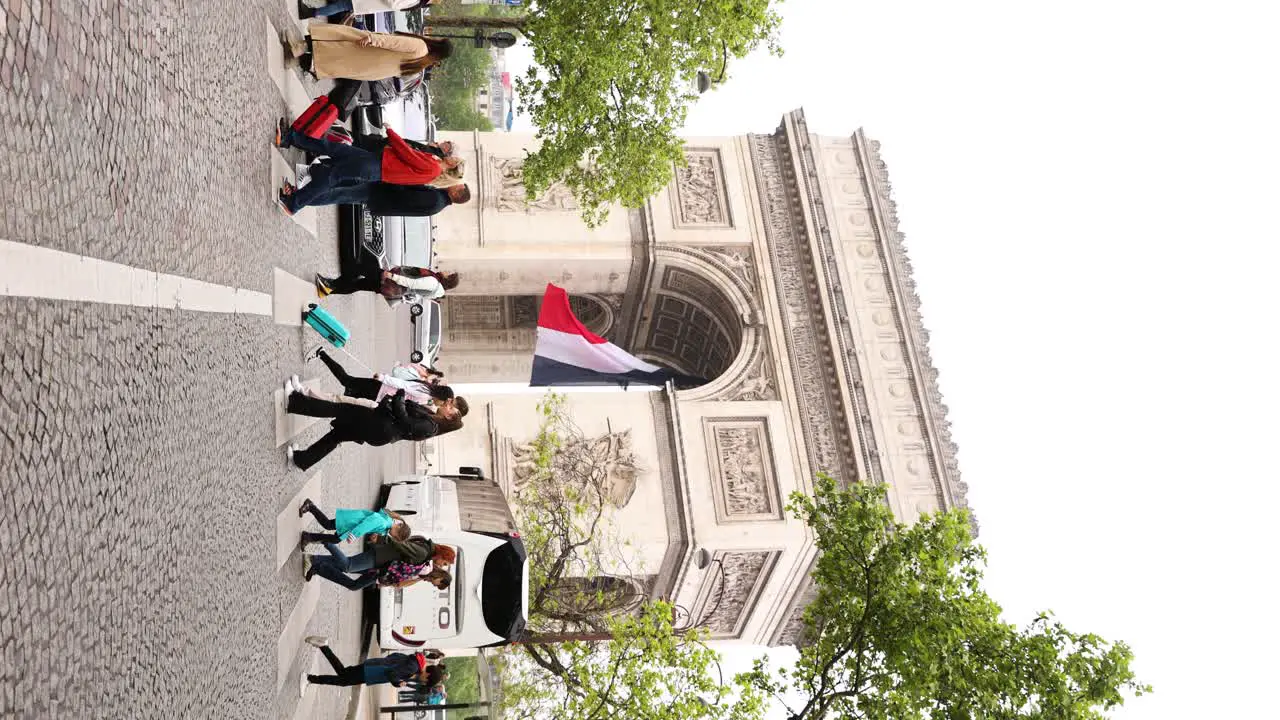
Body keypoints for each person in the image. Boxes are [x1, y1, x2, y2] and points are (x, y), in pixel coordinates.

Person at [275, 126, 458, 215]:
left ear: (451, 165)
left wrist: (392, 133)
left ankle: (294, 203)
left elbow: (408, 155)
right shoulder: (433, 165)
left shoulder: (433, 168)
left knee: (332, 177)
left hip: (379, 167)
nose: (452, 156)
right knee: (333, 149)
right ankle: (290, 138)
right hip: (379, 162)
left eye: (454, 157)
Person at [284, 389, 448, 470]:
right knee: (336, 435)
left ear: (450, 418)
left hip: (380, 426)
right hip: (380, 429)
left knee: (339, 409)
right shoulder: (432, 419)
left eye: (451, 408)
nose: (448, 405)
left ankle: (295, 403)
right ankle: (303, 459)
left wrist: (400, 398)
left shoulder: (431, 426)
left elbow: (405, 422)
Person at [286, 25, 451, 82]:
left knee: (337, 38)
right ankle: (299, 61)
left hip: (370, 50)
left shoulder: (421, 47)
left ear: (437, 43)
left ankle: (299, 48)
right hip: (370, 68)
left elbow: (394, 42)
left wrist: (372, 38)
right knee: (334, 61)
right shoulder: (420, 65)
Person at [303, 637, 436, 689]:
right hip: (372, 672)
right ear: (428, 675)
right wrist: (397, 683)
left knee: (343, 677)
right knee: (343, 677)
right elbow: (392, 673)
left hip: (372, 668)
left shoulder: (414, 661)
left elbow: (394, 657)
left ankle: (312, 676)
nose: (423, 681)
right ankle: (310, 677)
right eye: (426, 681)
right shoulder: (412, 668)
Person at [315, 258, 460, 299]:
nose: (446, 270)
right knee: (358, 284)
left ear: (448, 277)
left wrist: (391, 275)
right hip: (391, 286)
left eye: (449, 272)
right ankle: (328, 291)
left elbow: (412, 282)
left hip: (390, 281)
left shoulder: (433, 282)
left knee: (360, 268)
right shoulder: (435, 287)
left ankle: (330, 285)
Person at [297, 499, 407, 545]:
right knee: (328, 525)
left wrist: (375, 534)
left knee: (334, 537)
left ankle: (308, 537)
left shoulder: (387, 523)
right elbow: (367, 525)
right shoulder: (384, 523)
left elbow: (372, 525)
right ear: (398, 527)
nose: (393, 536)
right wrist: (354, 535)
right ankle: (310, 506)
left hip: (353, 522)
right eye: (395, 536)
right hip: (353, 522)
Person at [299, 0, 428, 20]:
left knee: (341, 6)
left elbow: (394, 3)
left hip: (369, 2)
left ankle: (310, 13)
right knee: (341, 5)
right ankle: (310, 12)